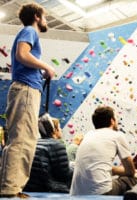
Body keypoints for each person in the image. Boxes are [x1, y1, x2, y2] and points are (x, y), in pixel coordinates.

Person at [0, 3, 55, 198]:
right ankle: (11, 189)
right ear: (37, 17)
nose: (46, 20)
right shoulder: (30, 31)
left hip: (24, 89)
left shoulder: (27, 32)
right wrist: (46, 67)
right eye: (44, 17)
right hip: (26, 90)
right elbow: (22, 55)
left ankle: (10, 187)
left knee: (20, 138)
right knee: (23, 139)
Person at [70, 106, 137, 196]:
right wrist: (130, 171)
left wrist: (115, 170)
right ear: (112, 121)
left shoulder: (88, 135)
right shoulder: (117, 136)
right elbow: (130, 171)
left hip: (76, 193)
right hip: (101, 192)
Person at [24, 114, 73, 193]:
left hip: (29, 187)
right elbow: (64, 175)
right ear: (54, 130)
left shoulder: (34, 143)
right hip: (47, 188)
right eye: (59, 127)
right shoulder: (57, 145)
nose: (60, 129)